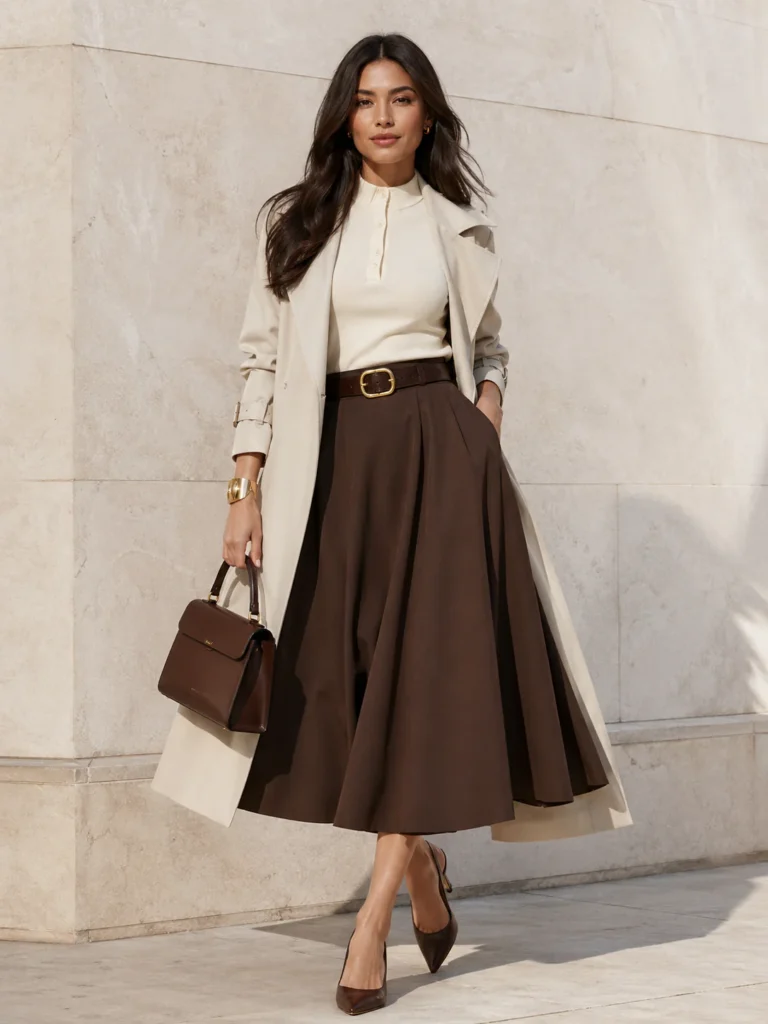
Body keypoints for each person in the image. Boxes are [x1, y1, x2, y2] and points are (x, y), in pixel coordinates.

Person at [220, 33, 629, 1018]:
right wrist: (244, 489)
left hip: (440, 457)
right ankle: (423, 868)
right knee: (348, 687)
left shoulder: (457, 226)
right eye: (367, 100)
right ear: (344, 116)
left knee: (421, 680)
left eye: (402, 98)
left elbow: (489, 346)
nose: (384, 116)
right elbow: (260, 359)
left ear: (427, 113)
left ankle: (372, 926)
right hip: (334, 460)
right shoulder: (297, 222)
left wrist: (484, 420)